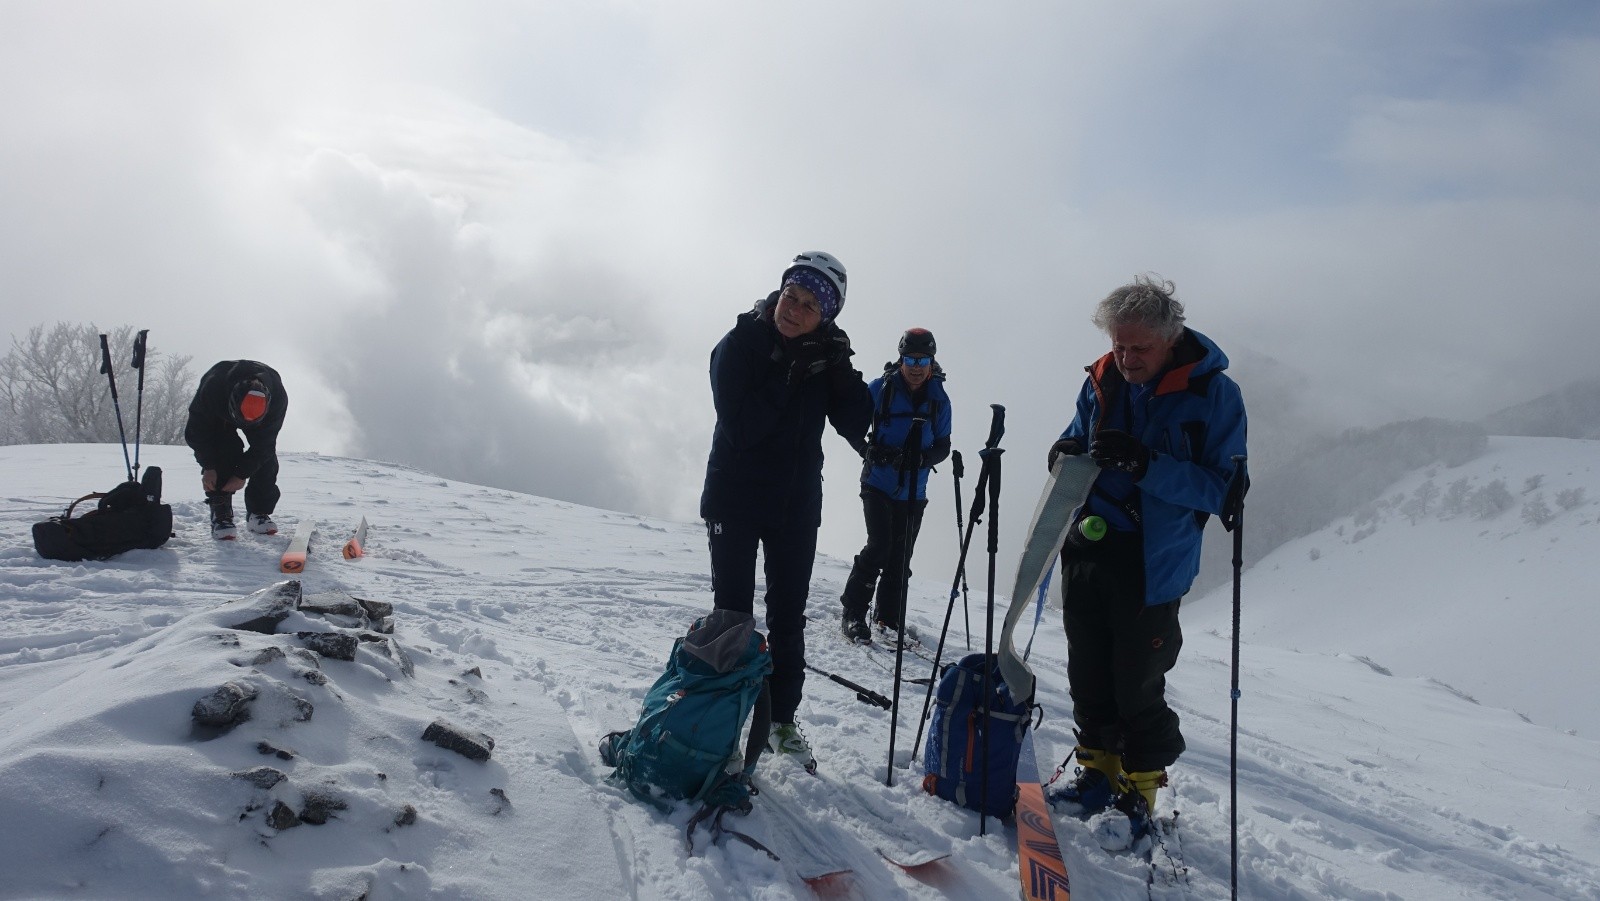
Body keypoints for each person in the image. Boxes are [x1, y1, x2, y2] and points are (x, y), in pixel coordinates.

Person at [1045, 275, 1247, 835]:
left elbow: (1223, 490)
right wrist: (1065, 450)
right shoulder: (1102, 379)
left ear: (1170, 338)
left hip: (1153, 560)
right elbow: (1078, 435)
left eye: (1140, 348)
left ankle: (1139, 789)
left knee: (1136, 679)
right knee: (1087, 672)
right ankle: (1097, 773)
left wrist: (1146, 465)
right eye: (1119, 345)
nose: (1127, 358)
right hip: (1088, 544)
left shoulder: (1213, 395)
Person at [700, 251, 873, 770]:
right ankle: (722, 720)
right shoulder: (738, 346)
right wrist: (789, 371)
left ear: (828, 316)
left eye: (807, 305)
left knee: (787, 618)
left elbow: (857, 422)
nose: (791, 310)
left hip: (795, 504)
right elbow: (742, 428)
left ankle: (779, 721)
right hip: (734, 496)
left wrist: (838, 367)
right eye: (789, 297)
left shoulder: (822, 354)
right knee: (732, 614)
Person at [839, 328, 952, 644]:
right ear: (901, 358)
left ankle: (888, 618)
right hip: (877, 482)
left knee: (901, 558)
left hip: (914, 490)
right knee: (879, 547)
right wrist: (867, 450)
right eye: (910, 359)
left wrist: (921, 459)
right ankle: (853, 612)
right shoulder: (880, 389)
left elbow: (943, 446)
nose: (916, 366)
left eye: (923, 359)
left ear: (931, 360)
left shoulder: (939, 401)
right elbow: (851, 426)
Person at [184, 360, 288, 540]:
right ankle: (221, 512)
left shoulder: (277, 398)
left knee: (265, 458)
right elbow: (196, 433)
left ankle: (259, 512)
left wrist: (241, 474)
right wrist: (208, 466)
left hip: (261, 418)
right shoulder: (212, 390)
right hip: (220, 410)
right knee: (225, 448)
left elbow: (264, 446)